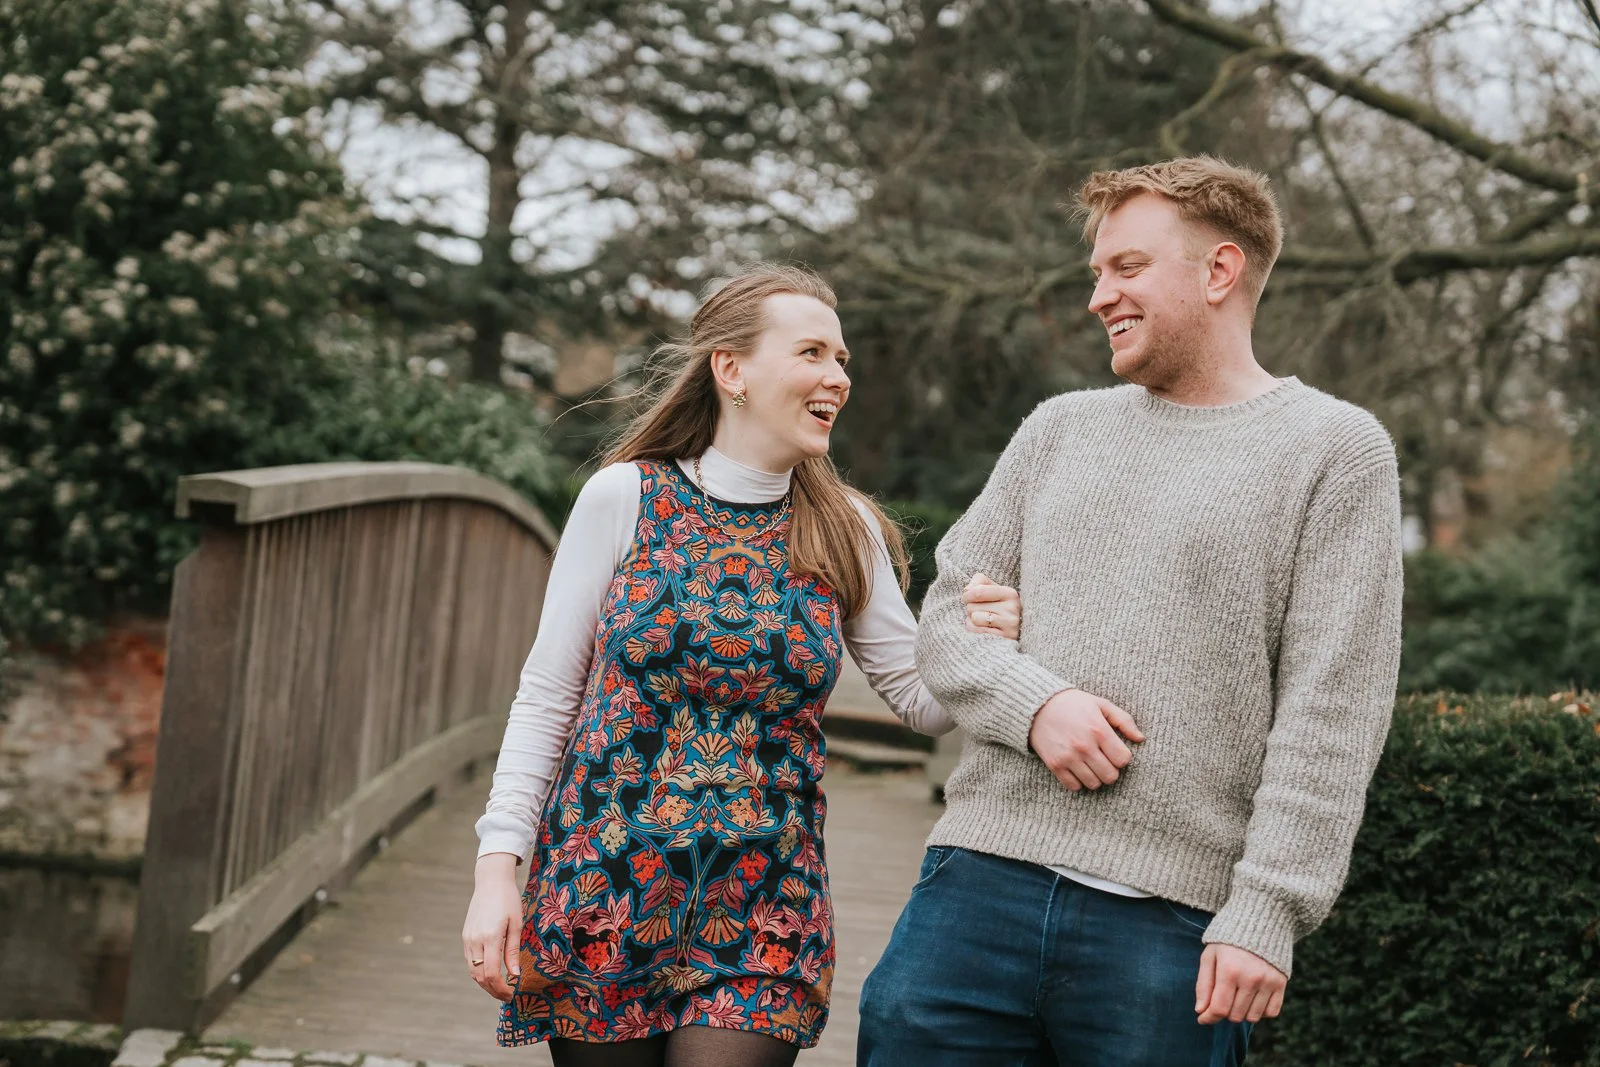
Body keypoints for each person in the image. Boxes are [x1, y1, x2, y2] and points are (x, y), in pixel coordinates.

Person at [857, 156, 1405, 1067]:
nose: (1099, 295)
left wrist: (1268, 908)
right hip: (974, 892)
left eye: (1128, 268)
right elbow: (947, 619)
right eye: (1097, 273)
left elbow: (1334, 709)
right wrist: (1035, 704)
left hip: (1172, 934)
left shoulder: (1336, 453)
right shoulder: (1059, 428)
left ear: (1219, 271)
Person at [461, 264, 1023, 1067]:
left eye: (843, 360)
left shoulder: (845, 528)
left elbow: (924, 701)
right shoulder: (625, 497)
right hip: (604, 889)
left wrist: (983, 639)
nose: (838, 377)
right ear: (732, 371)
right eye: (813, 353)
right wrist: (496, 872)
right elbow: (548, 695)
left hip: (764, 905)